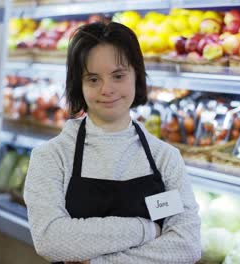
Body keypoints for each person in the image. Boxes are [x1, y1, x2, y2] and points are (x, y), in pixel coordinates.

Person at [24, 21, 201, 264]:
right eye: (93, 79)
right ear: (79, 85)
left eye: (118, 76)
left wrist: (97, 261)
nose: (107, 89)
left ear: (136, 76)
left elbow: (187, 245)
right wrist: (146, 230)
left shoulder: (165, 158)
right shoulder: (52, 157)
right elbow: (50, 239)